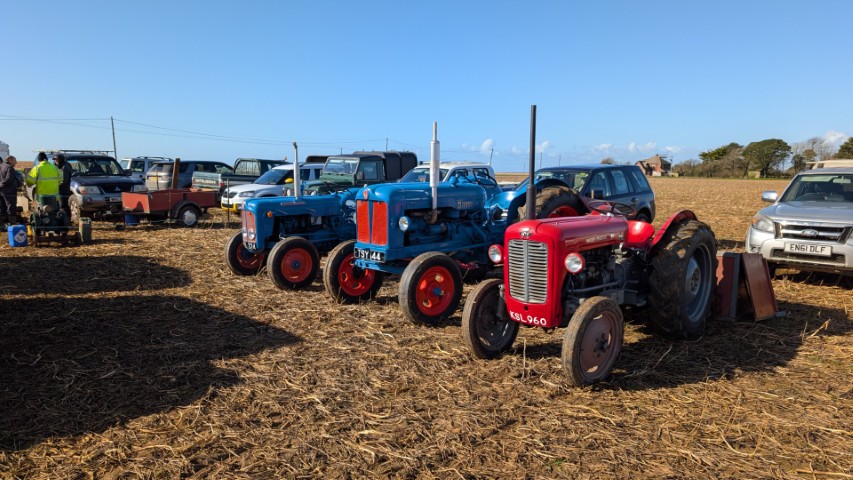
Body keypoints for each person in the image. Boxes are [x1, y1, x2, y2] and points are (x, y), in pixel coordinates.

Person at [0, 155, 20, 230]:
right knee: (11, 208)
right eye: (15, 160)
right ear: (10, 159)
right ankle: (12, 225)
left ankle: (1, 226)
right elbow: (8, 179)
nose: (16, 162)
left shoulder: (1, 166)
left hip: (1, 191)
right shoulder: (9, 168)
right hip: (9, 191)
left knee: (2, 207)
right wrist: (2, 184)